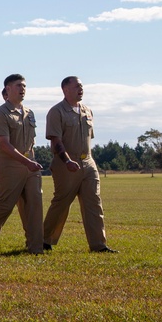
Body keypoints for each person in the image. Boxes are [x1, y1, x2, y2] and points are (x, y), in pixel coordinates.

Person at [42, 76, 116, 252]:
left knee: (94, 203)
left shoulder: (87, 111)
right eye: (77, 86)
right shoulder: (57, 112)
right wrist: (67, 160)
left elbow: (88, 138)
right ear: (65, 89)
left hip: (88, 162)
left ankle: (99, 245)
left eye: (81, 86)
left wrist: (88, 161)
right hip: (66, 163)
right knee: (61, 203)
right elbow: (55, 140)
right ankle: (44, 239)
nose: (80, 89)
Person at [0, 74, 43, 254]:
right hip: (9, 165)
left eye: (24, 86)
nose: (22, 89)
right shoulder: (1, 113)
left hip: (30, 164)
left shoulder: (29, 113)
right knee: (5, 204)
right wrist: (27, 162)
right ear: (8, 89)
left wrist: (31, 162)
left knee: (34, 204)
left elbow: (31, 142)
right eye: (18, 86)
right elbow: (4, 145)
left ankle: (35, 246)